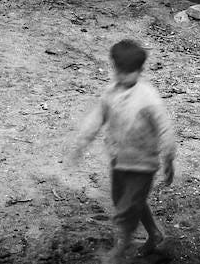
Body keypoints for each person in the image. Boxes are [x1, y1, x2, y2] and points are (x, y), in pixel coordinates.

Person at [67, 39, 176, 264]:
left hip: (143, 164)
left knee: (127, 208)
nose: (123, 77)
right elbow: (97, 118)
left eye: (129, 73)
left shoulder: (148, 98)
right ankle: (155, 235)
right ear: (114, 68)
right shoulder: (110, 94)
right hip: (119, 161)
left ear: (140, 70)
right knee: (123, 200)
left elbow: (165, 128)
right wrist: (81, 142)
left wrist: (169, 157)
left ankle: (122, 246)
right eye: (120, 71)